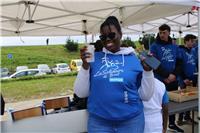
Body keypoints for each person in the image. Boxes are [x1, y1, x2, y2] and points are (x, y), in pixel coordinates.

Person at [74, 16, 155, 133]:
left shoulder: (136, 58)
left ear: (120, 34)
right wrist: (85, 66)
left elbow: (146, 96)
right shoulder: (94, 58)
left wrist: (148, 72)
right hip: (99, 122)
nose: (107, 39)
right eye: (103, 37)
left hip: (131, 121)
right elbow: (81, 93)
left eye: (111, 35)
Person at [150, 24, 184, 132]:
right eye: (160, 32)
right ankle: (161, 126)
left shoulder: (174, 46)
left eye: (164, 32)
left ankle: (172, 124)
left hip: (173, 80)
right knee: (161, 105)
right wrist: (166, 76)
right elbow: (152, 62)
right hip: (160, 81)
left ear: (169, 32)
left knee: (172, 103)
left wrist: (174, 75)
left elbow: (179, 62)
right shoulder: (154, 46)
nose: (161, 35)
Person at [177, 34, 198, 125]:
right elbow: (179, 66)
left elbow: (196, 63)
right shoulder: (180, 50)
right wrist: (184, 78)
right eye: (193, 41)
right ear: (187, 41)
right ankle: (180, 119)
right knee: (183, 99)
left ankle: (187, 117)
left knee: (191, 98)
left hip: (193, 78)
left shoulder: (193, 50)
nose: (194, 43)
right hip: (184, 79)